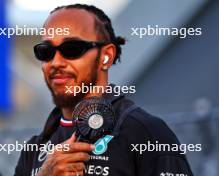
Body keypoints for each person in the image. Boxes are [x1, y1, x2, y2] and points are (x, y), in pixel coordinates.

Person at [14, 4, 193, 176]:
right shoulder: (34, 148)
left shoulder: (145, 132)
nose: (56, 62)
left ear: (106, 56)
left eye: (72, 49)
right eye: (46, 51)